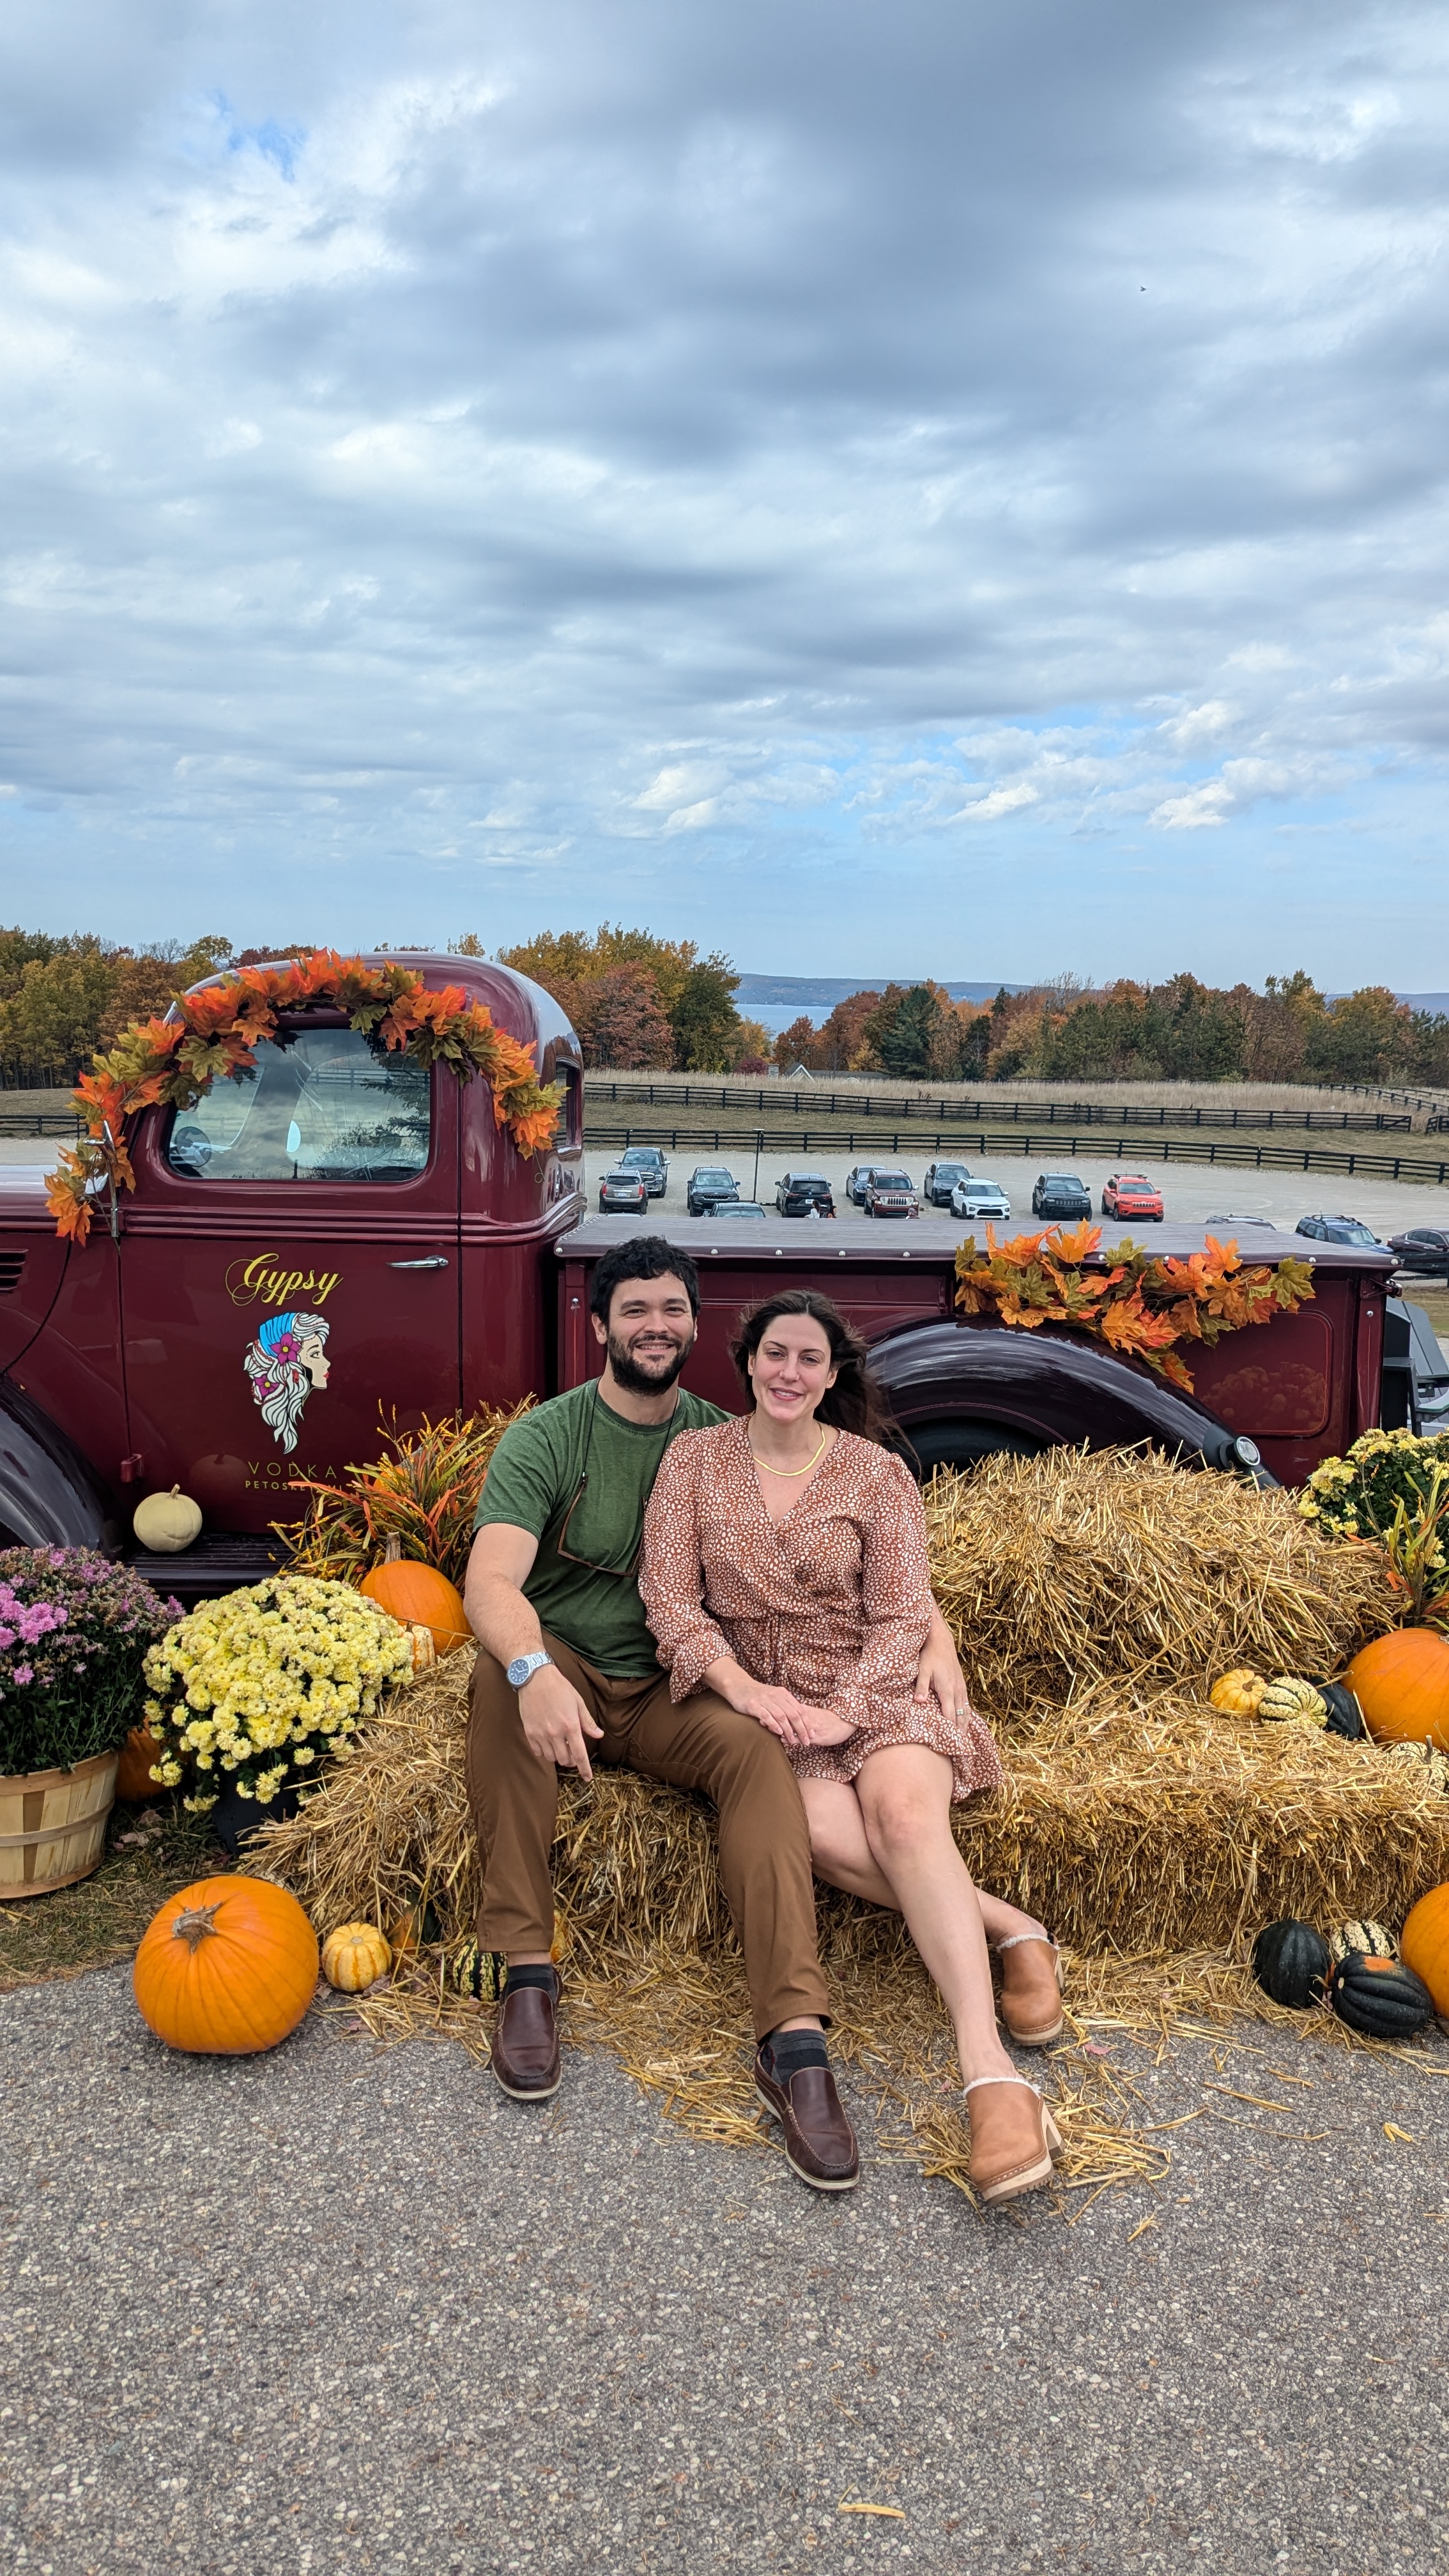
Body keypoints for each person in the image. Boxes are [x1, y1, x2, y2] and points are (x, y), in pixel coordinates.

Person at [461, 1234, 973, 2196]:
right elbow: (490, 1580)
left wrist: (936, 1635)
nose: (655, 1327)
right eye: (635, 1310)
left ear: (697, 1326)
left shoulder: (720, 1437)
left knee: (759, 1757)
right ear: (598, 1323)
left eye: (671, 1310)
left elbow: (874, 1549)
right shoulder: (548, 1437)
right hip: (569, 1659)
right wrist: (534, 1669)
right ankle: (527, 1973)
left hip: (675, 1685)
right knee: (497, 1682)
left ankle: (793, 2040)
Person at [638, 1288, 1065, 2207]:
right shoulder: (693, 1463)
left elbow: (906, 1610)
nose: (790, 1373)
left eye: (810, 1360)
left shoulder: (876, 1476)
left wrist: (850, 1707)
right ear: (748, 1362)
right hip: (771, 1712)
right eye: (775, 1354)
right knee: (827, 1841)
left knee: (904, 1816)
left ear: (833, 1376)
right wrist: (748, 1692)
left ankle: (990, 2075)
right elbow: (671, 1603)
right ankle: (1015, 1927)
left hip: (878, 1695)